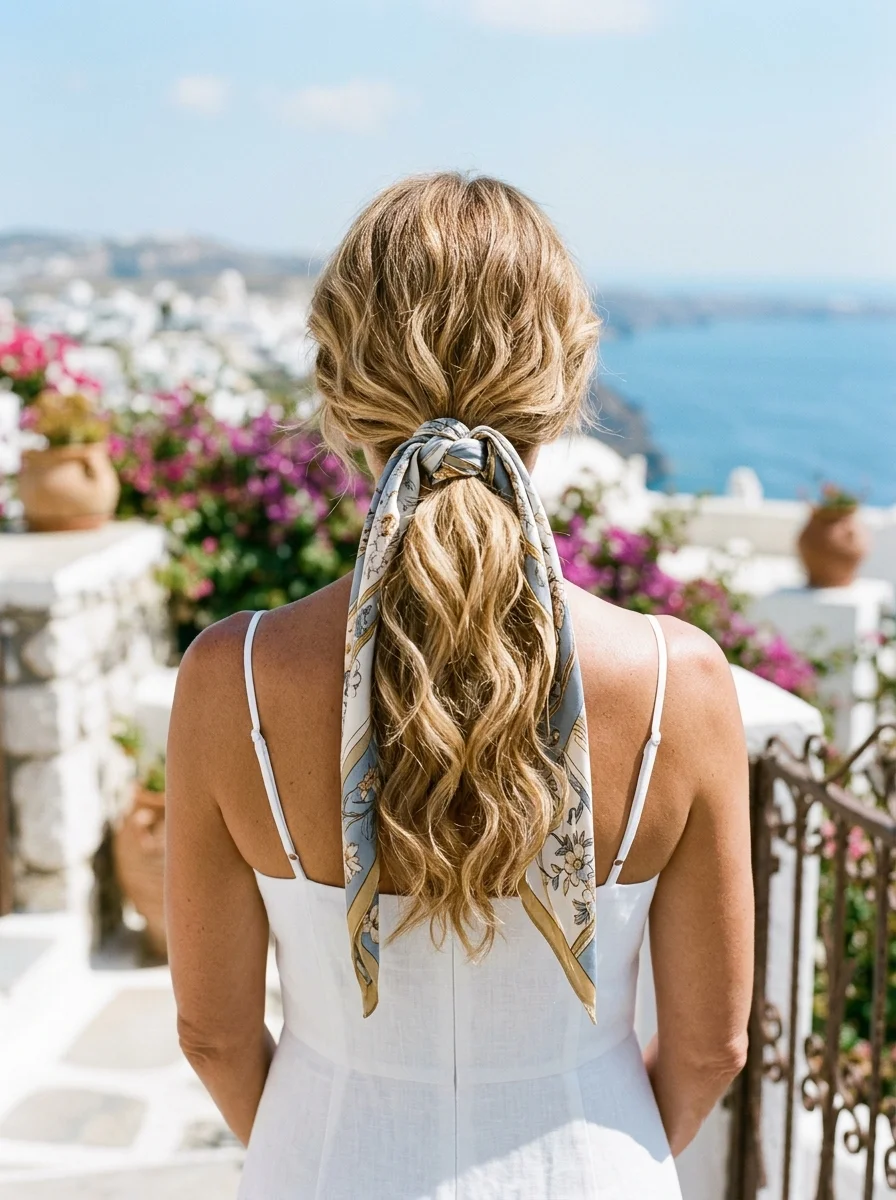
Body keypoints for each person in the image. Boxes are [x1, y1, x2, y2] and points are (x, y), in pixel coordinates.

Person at [166, 172, 753, 1200]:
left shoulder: (232, 679)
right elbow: (709, 1049)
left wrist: (328, 1147)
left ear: (337, 386)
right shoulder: (680, 684)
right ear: (564, 382)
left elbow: (213, 1035)